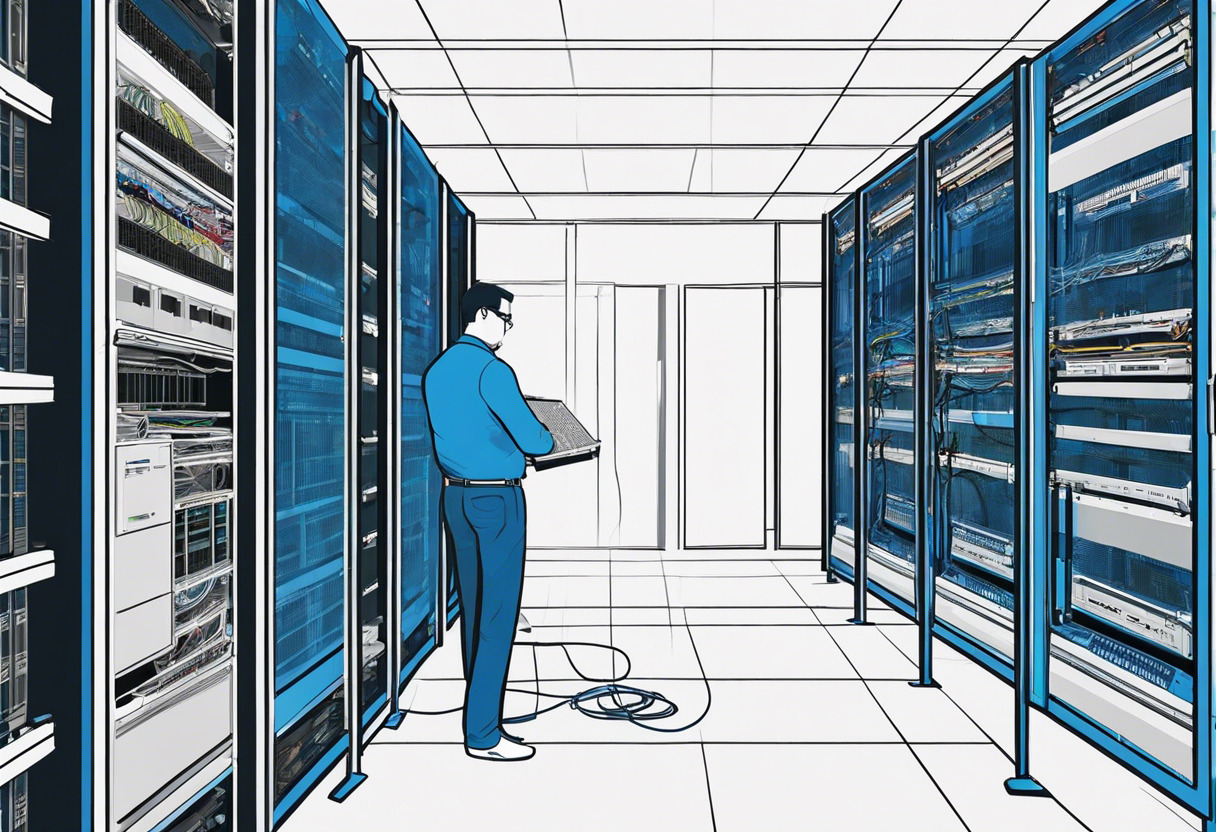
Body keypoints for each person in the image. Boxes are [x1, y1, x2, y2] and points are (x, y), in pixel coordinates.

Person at [421, 282, 554, 762]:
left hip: (455, 500)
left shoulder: (437, 371)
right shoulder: (493, 371)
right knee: (498, 617)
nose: (507, 329)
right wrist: (549, 435)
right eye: (505, 318)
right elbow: (536, 441)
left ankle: (481, 719)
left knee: (473, 611)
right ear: (480, 315)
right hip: (498, 502)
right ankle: (482, 735)